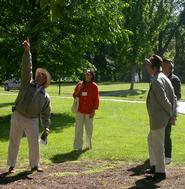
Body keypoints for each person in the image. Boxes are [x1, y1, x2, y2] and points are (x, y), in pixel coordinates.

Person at [7, 39, 51, 173]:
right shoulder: (27, 82)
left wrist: (47, 127)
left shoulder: (45, 96)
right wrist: (27, 52)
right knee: (14, 140)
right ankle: (11, 165)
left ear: (45, 80)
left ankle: (34, 165)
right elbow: (27, 67)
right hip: (18, 115)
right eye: (39, 73)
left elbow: (46, 113)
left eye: (42, 75)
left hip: (32, 119)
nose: (39, 75)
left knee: (34, 144)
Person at [145, 55, 177, 181]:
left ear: (153, 66)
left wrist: (172, 115)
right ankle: (154, 166)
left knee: (158, 144)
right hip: (160, 117)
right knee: (151, 140)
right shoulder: (162, 77)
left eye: (148, 64)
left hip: (159, 118)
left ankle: (160, 172)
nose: (146, 67)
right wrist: (171, 113)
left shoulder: (157, 80)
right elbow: (173, 97)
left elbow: (165, 100)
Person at [73, 69, 99, 151]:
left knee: (89, 129)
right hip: (79, 110)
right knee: (78, 129)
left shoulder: (94, 86)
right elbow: (74, 95)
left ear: (92, 76)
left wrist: (94, 110)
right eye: (86, 74)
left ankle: (88, 145)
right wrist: (78, 91)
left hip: (89, 111)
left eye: (89, 74)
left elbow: (96, 99)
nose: (87, 76)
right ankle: (78, 147)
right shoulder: (80, 84)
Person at [162, 59, 181, 164]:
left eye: (165, 65)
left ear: (170, 68)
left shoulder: (175, 79)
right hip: (161, 110)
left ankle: (168, 157)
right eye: (162, 65)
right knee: (160, 133)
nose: (163, 67)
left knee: (166, 133)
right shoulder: (160, 77)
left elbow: (178, 95)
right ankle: (160, 155)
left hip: (170, 110)